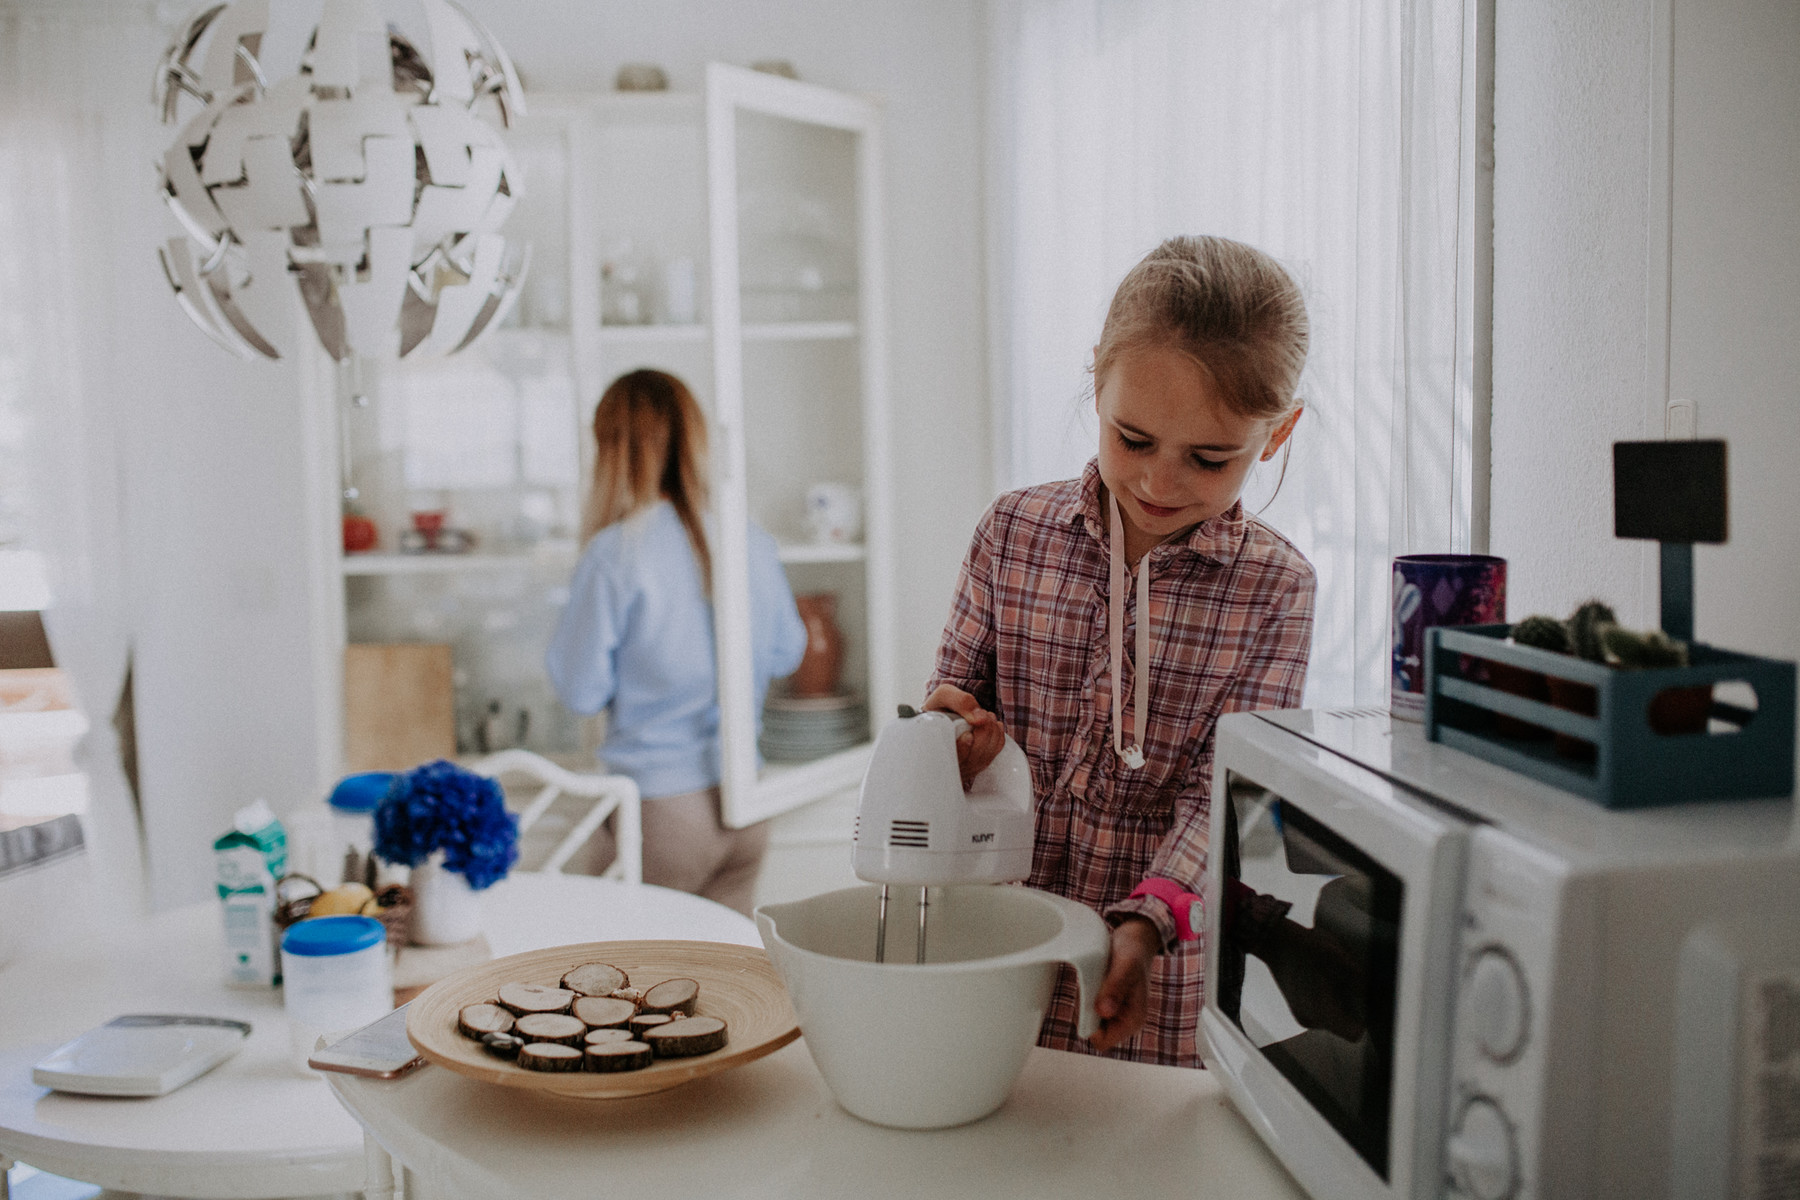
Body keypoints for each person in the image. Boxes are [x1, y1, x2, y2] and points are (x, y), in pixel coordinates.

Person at [925, 235, 1315, 1067]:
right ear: (1095, 378)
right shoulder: (1011, 534)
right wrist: (954, 742)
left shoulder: (1276, 590)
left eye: (1210, 459)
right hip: (998, 938)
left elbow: (1228, 797)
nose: (1160, 483)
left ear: (1277, 435)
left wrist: (1141, 929)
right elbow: (943, 707)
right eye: (1133, 439)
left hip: (1158, 967)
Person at [547, 369, 806, 917]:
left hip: (662, 811)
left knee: (625, 981)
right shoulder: (749, 540)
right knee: (719, 982)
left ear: (610, 452)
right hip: (746, 798)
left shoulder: (615, 554)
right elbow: (789, 652)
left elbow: (579, 692)